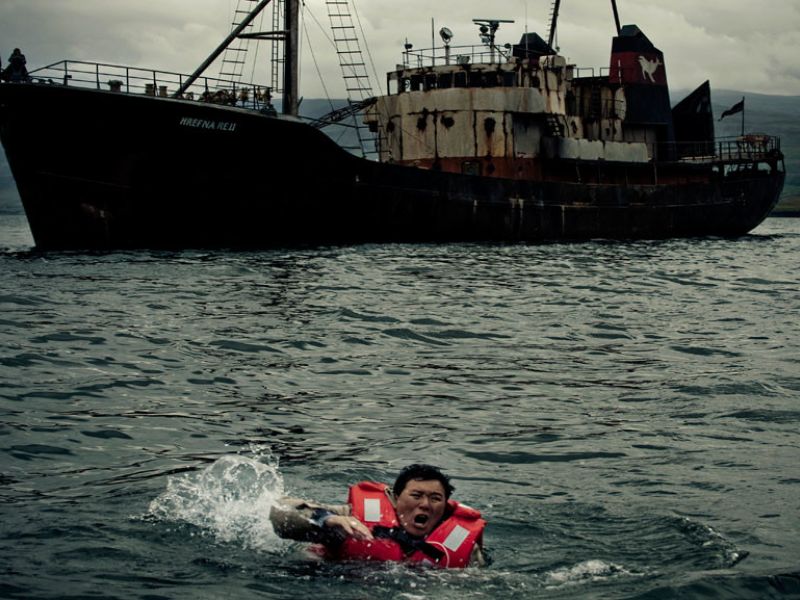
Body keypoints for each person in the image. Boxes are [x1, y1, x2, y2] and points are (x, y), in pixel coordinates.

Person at [269, 464, 487, 568]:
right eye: (416, 495)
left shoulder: (465, 547)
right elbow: (281, 511)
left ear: (445, 506)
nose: (425, 504)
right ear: (395, 499)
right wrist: (328, 520)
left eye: (435, 498)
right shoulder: (349, 519)